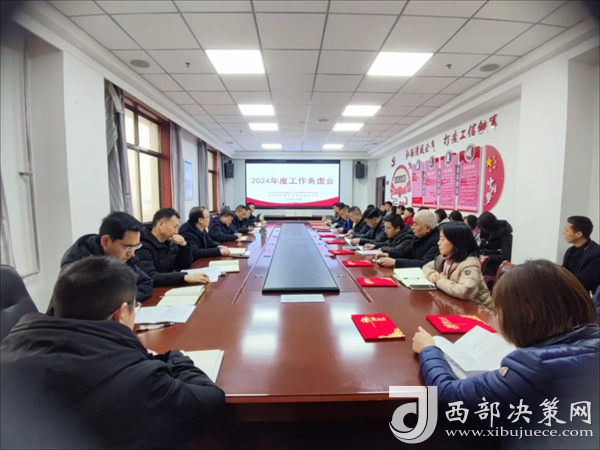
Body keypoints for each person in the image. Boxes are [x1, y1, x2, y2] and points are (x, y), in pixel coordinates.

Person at [1, 258, 226, 449]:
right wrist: (172, 357)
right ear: (121, 314)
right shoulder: (142, 380)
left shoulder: (11, 346)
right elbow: (211, 400)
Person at [412, 260, 599, 440]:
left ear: (526, 315)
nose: (499, 318)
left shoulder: (533, 365)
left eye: (500, 312)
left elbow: (449, 396)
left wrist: (429, 350)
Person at [46, 212, 152, 317]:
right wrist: (119, 305)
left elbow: (145, 282)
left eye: (135, 247)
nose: (132, 253)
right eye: (127, 247)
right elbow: (73, 314)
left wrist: (126, 303)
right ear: (106, 241)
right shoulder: (79, 270)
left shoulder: (120, 256)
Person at [422, 223, 491, 310]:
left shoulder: (470, 264)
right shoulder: (446, 257)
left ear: (456, 242)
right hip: (455, 305)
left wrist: (439, 280)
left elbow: (465, 291)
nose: (438, 243)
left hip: (478, 310)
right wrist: (432, 274)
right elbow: (426, 267)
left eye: (442, 239)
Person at [137, 208, 209, 287]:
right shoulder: (142, 246)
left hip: (170, 284)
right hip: (156, 289)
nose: (176, 231)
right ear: (161, 224)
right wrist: (184, 277)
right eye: (174, 227)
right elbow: (151, 277)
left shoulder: (170, 241)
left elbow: (184, 265)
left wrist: (184, 246)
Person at [562, 216, 600, 292]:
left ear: (578, 234)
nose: (563, 233)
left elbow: (584, 281)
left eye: (566, 230)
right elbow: (563, 271)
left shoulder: (597, 253)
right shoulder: (570, 250)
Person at [477, 212, 513, 276]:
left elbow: (506, 256)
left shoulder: (505, 235)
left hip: (495, 265)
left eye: (483, 228)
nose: (483, 230)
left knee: (475, 269)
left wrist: (487, 257)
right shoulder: (485, 233)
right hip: (485, 261)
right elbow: (480, 248)